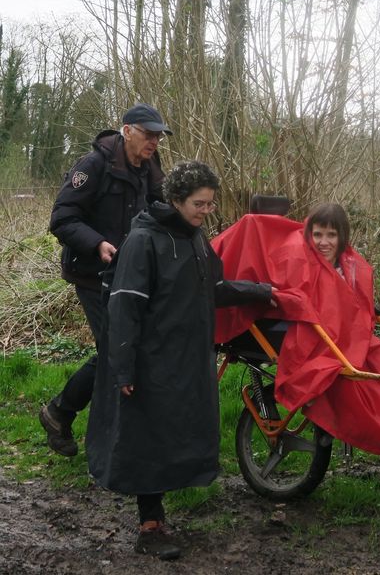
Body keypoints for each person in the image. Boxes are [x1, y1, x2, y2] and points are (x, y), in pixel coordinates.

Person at [85, 161, 275, 560]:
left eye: (210, 204)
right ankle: (150, 525)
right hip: (151, 359)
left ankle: (162, 513)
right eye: (198, 204)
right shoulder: (143, 241)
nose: (206, 211)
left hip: (188, 358)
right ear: (174, 199)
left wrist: (261, 292)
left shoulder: (194, 238)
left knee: (175, 432)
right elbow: (124, 308)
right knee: (147, 437)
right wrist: (123, 367)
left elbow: (215, 288)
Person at [212, 203, 380, 461]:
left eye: (331, 235)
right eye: (317, 235)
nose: (324, 242)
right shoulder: (299, 257)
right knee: (341, 375)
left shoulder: (350, 264)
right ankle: (374, 431)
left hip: (344, 334)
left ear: (342, 237)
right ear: (309, 234)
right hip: (312, 333)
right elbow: (294, 293)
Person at [40, 103, 171, 457]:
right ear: (127, 130)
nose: (154, 142)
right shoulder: (92, 166)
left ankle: (70, 416)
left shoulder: (149, 167)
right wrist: (97, 242)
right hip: (92, 274)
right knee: (117, 350)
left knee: (128, 348)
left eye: (159, 136)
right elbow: (62, 219)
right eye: (148, 134)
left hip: (132, 275)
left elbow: (161, 209)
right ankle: (67, 415)